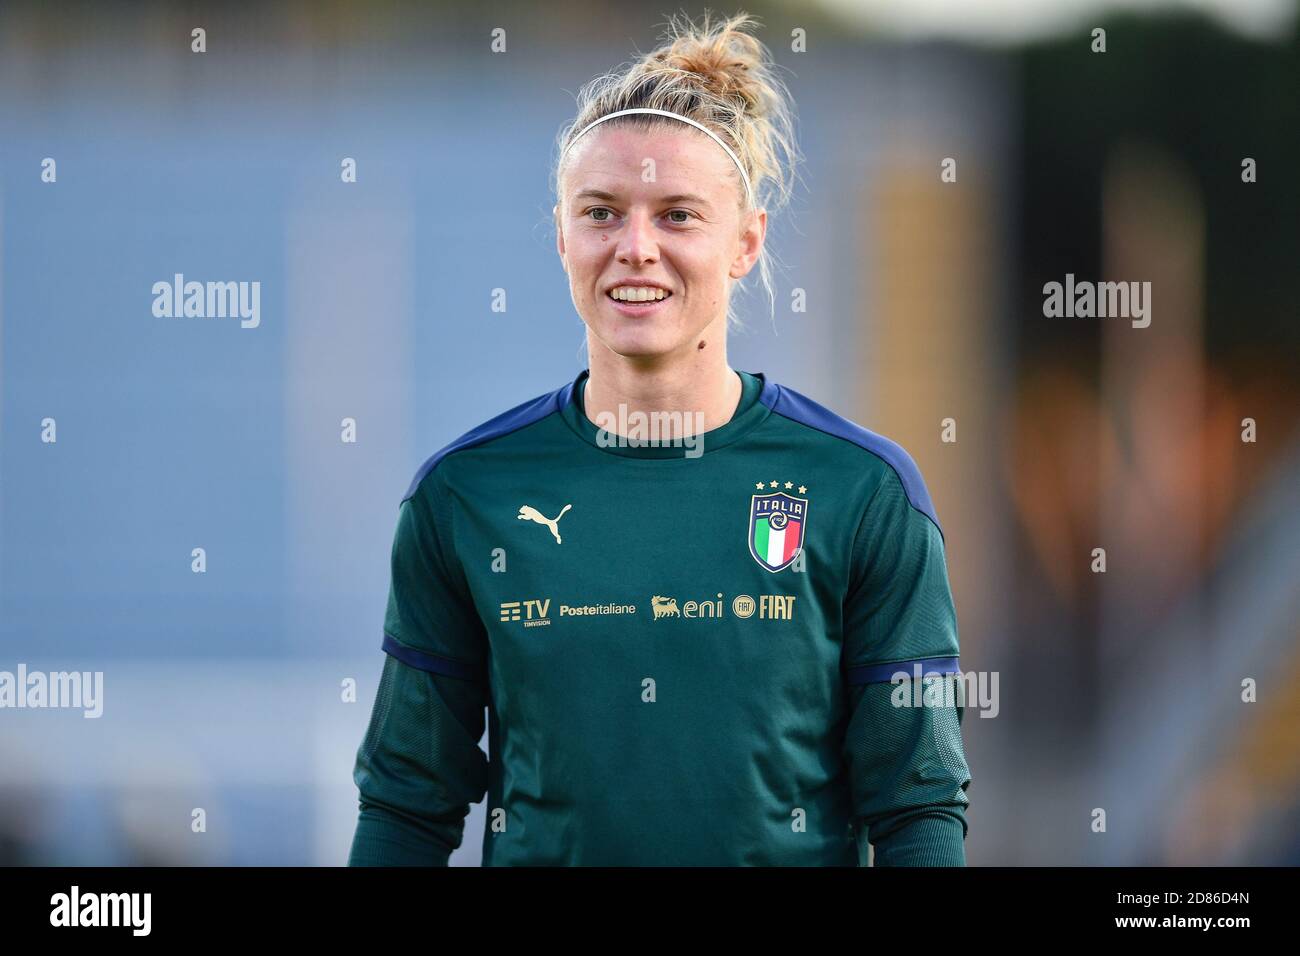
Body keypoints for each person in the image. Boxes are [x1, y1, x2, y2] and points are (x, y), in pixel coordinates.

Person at [348, 10, 971, 866]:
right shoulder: (464, 496)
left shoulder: (862, 492)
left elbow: (919, 808)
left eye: (678, 215)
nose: (635, 249)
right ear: (563, 234)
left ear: (745, 241)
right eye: (602, 213)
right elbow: (404, 807)